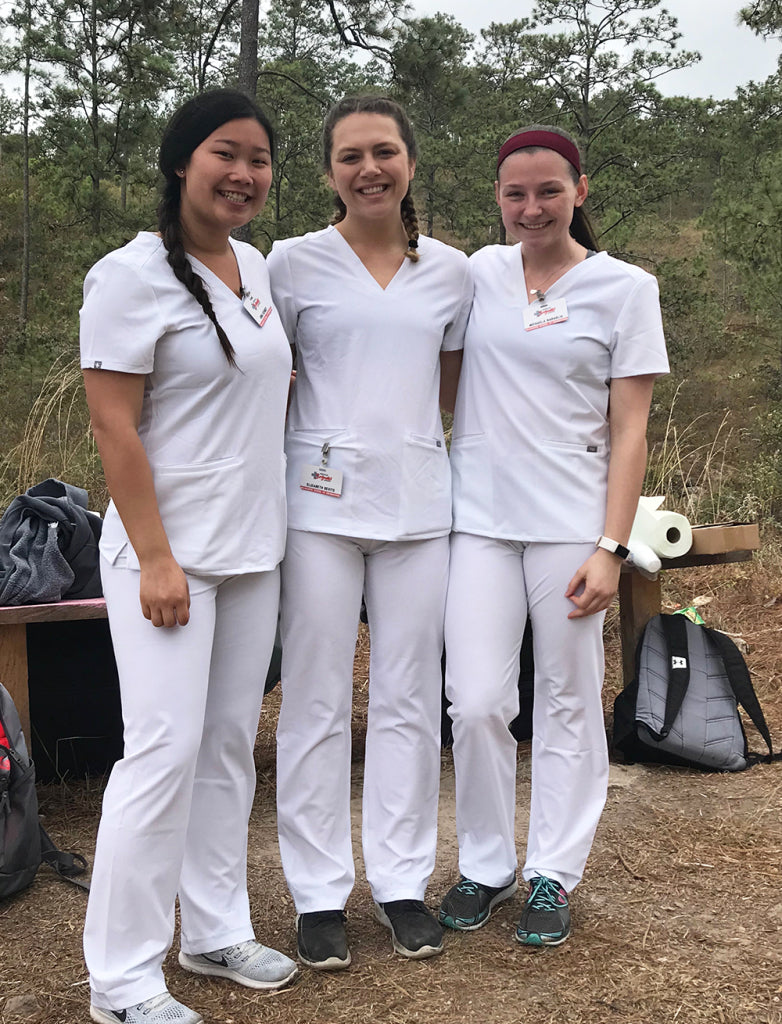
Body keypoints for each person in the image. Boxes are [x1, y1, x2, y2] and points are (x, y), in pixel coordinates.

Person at [80, 90, 298, 1024]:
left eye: (258, 159)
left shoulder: (252, 266)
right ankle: (123, 982)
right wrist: (158, 558)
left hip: (253, 549)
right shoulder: (128, 276)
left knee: (222, 751)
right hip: (165, 559)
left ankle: (213, 930)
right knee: (161, 756)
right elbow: (113, 424)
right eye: (224, 153)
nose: (242, 174)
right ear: (181, 161)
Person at [438, 125, 669, 947]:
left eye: (547, 191)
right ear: (497, 198)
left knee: (567, 702)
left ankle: (552, 875)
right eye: (514, 193)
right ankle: (486, 865)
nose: (530, 208)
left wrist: (611, 548)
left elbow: (630, 429)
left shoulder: (625, 288)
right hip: (479, 526)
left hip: (573, 529)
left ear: (580, 190)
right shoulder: (475, 274)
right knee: (477, 703)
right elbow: (440, 376)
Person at [267, 95, 472, 970]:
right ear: (328, 174)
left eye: (384, 151)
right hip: (315, 509)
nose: (368, 169)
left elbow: (449, 385)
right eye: (349, 156)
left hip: (421, 511)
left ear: (411, 163)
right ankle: (318, 893)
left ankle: (399, 882)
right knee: (313, 700)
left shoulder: (451, 273)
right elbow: (267, 377)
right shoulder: (290, 263)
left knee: (408, 697)